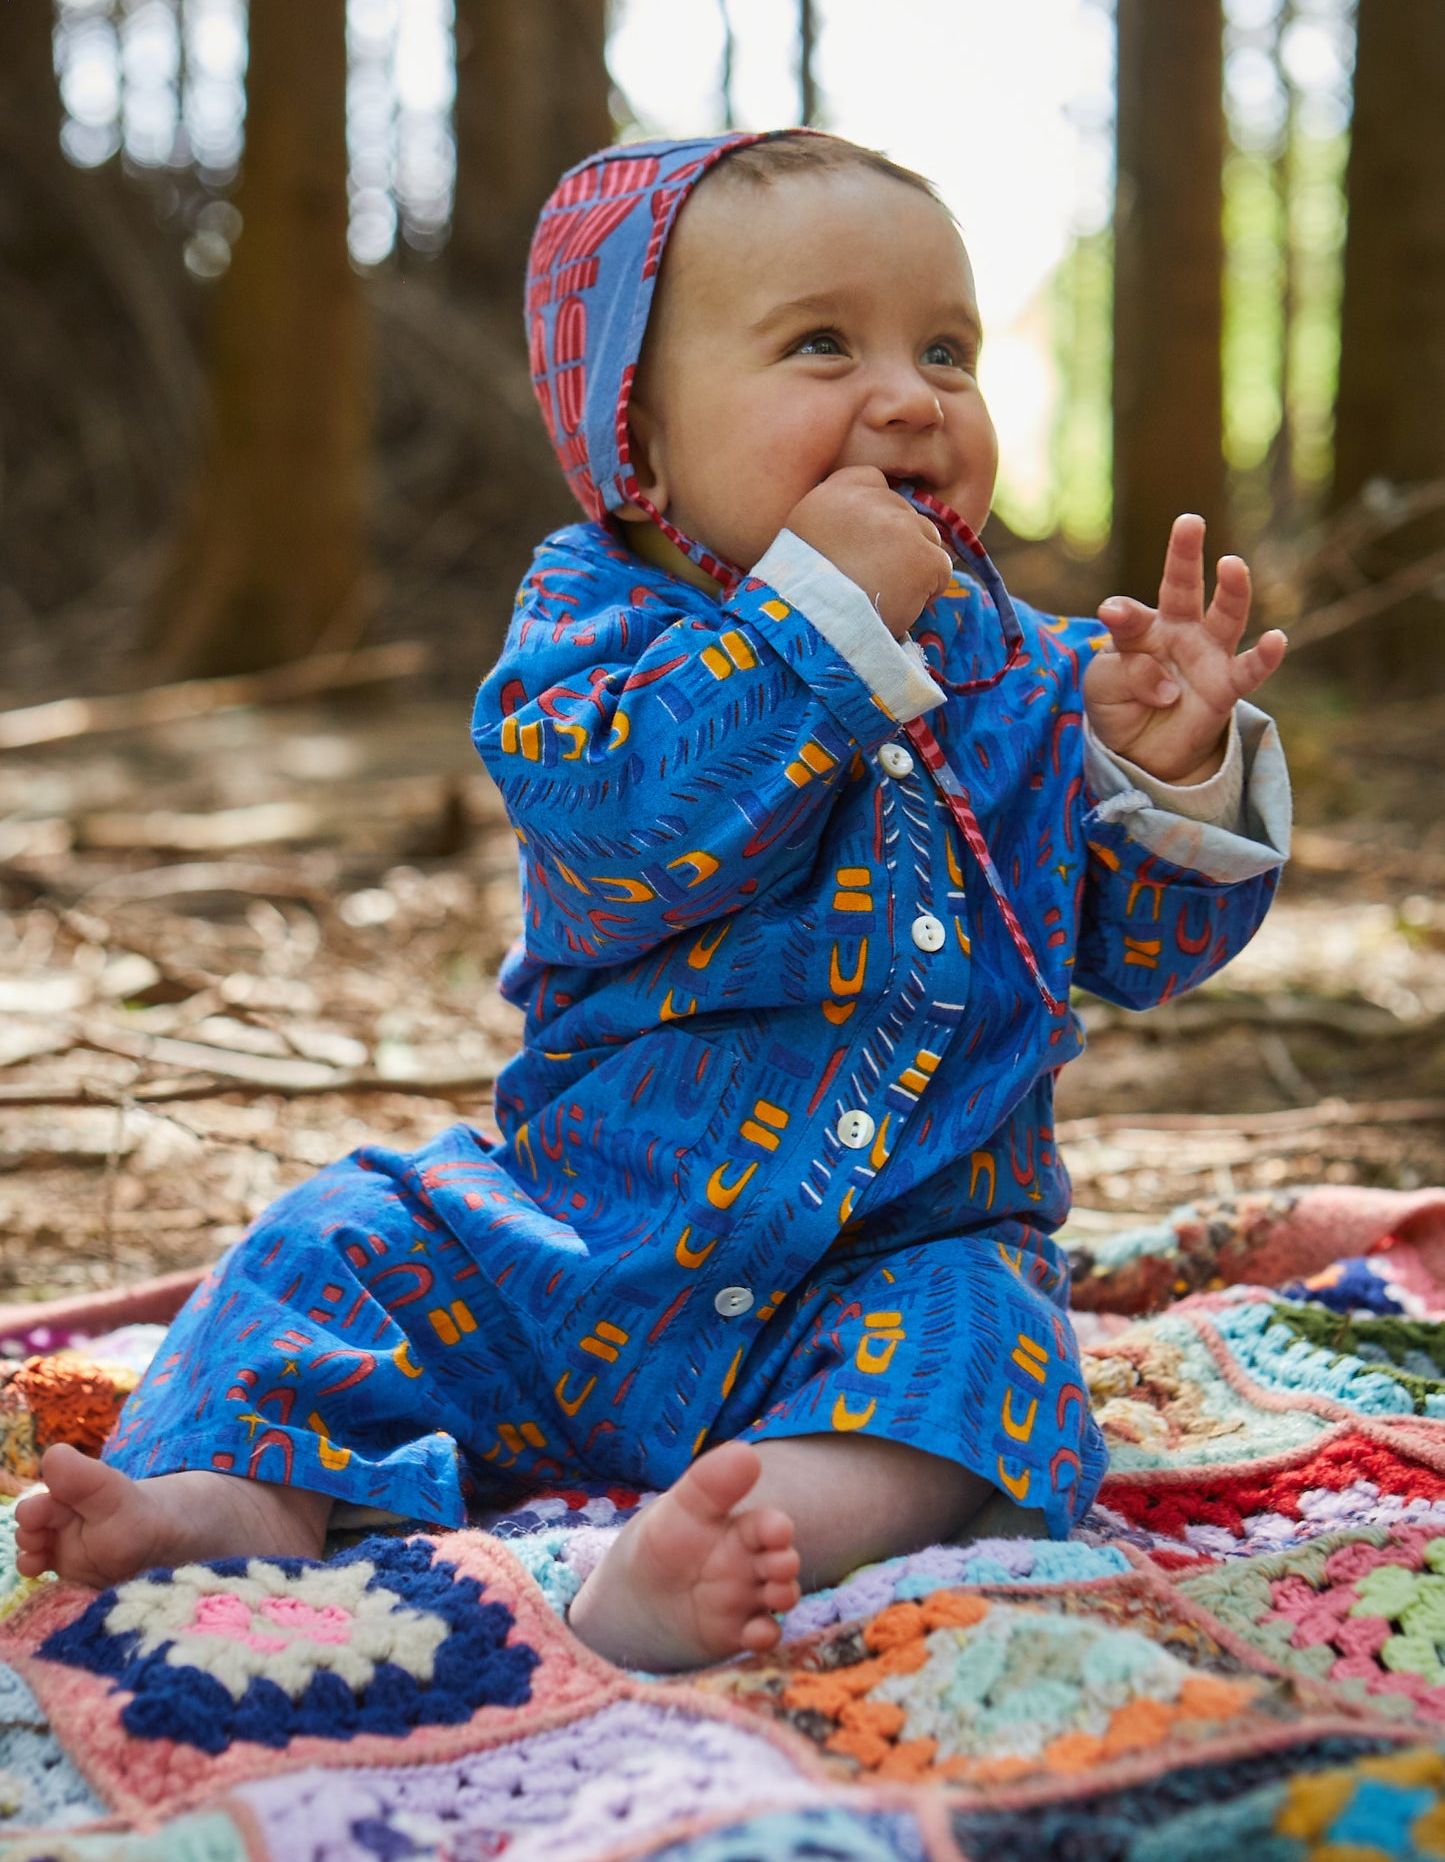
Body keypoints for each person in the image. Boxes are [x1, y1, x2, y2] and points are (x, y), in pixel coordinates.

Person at [16, 131, 1291, 1670]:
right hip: (567, 1239)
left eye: (944, 348)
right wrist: (814, 622)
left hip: (881, 1270)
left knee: (986, 1360)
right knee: (327, 1240)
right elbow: (632, 828)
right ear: (636, 433)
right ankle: (231, 1502)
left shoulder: (1017, 663)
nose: (909, 395)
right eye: (821, 344)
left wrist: (1171, 777)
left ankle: (725, 1539)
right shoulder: (590, 628)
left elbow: (1132, 952)